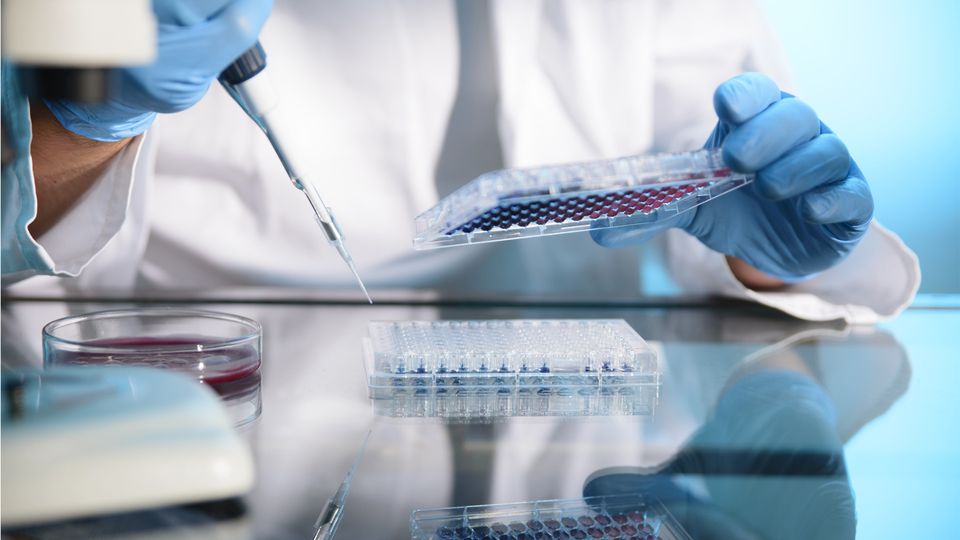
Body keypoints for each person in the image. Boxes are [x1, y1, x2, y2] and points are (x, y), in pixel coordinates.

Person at [1, 0, 919, 323]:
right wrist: (84, 123)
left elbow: (719, 147)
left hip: (575, 433)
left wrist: (764, 250)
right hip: (208, 426)